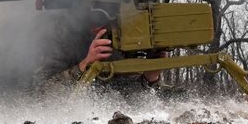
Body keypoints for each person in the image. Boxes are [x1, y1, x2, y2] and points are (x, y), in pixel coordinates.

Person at [34, 22, 164, 93]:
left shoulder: (126, 32)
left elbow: (126, 92)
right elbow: (43, 92)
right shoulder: (61, 33)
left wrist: (150, 78)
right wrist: (85, 64)